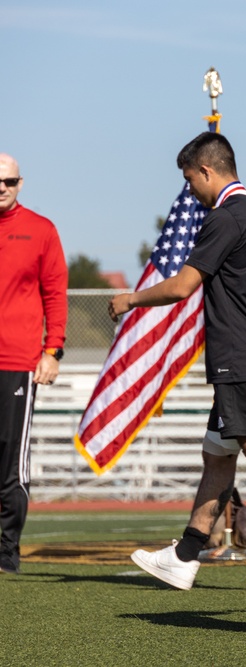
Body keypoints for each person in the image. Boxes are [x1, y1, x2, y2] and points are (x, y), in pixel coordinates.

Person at [110, 133, 246, 594]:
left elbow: (180, 286)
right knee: (217, 454)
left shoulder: (226, 218)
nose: (192, 192)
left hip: (239, 357)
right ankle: (185, 556)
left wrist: (130, 299)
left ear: (207, 170)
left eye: (190, 181)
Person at [0, 153, 68, 575]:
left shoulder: (40, 230)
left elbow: (55, 293)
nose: (0, 188)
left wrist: (52, 349)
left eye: (8, 181)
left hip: (18, 362)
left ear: (20, 183)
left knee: (10, 461)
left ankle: (7, 551)